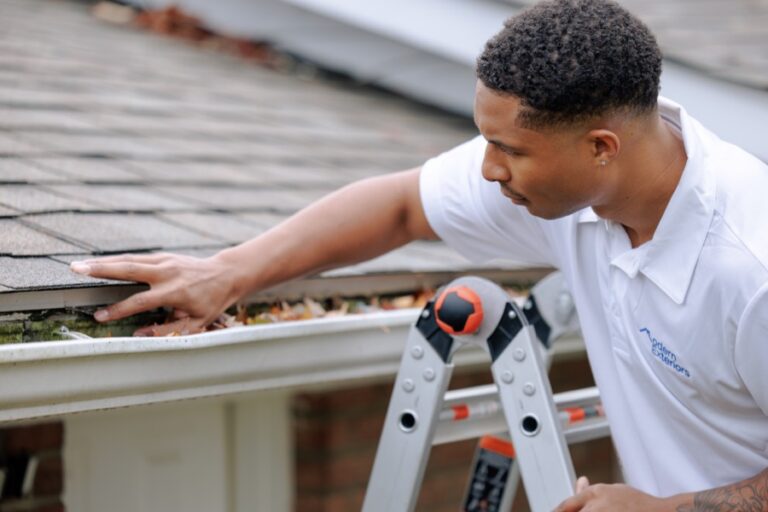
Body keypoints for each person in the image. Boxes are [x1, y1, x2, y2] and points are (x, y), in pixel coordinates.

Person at [70, 0, 768, 509]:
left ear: (600, 148)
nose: (489, 171)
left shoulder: (750, 266)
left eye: (510, 151)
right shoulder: (578, 191)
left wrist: (670, 510)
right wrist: (225, 273)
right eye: (486, 142)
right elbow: (401, 204)